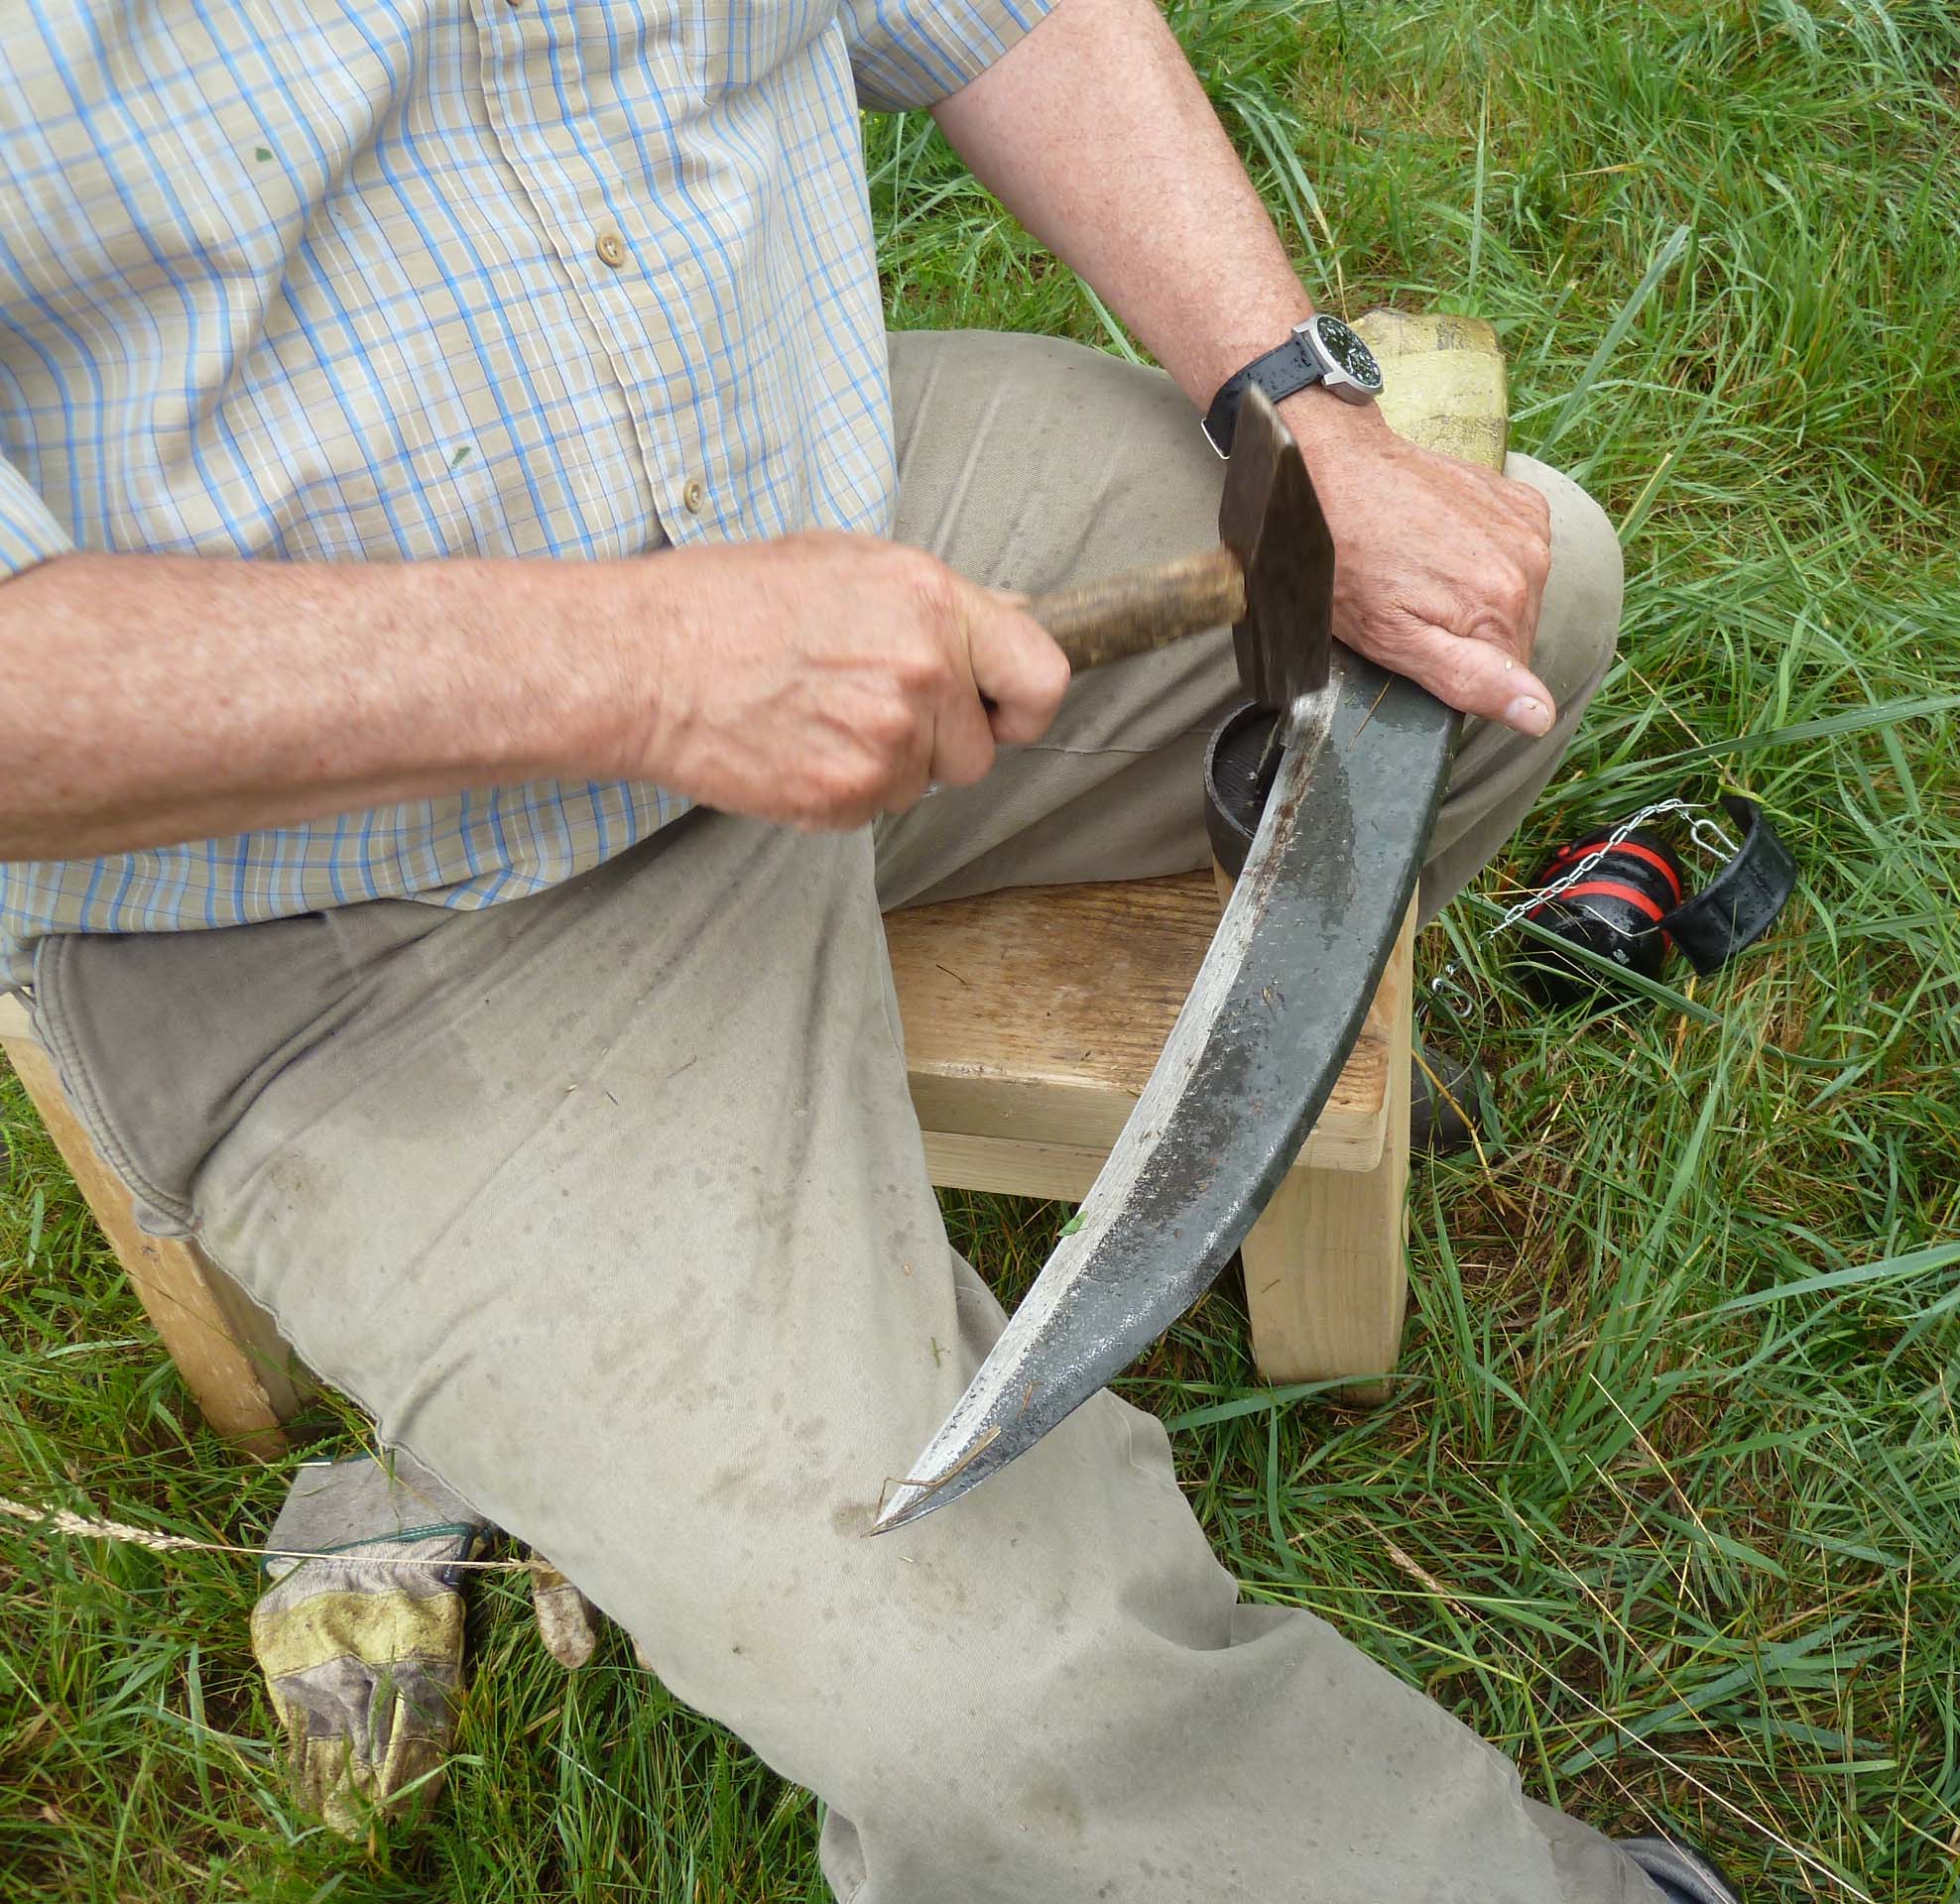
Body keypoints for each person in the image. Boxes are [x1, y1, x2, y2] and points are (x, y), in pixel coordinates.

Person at [0, 0, 1736, 1897]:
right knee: (1004, 1730)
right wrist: (641, 665)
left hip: (848, 531)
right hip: (348, 895)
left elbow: (1018, 18)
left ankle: (822, 1250)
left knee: (1512, 599)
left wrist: (1298, 407)